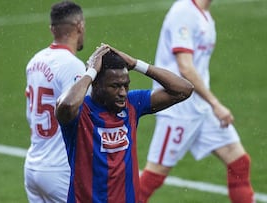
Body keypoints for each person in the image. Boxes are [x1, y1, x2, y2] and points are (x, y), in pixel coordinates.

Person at [138, 0, 255, 202]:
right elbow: (186, 68)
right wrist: (215, 104)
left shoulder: (206, 16)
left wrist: (209, 105)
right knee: (154, 176)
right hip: (178, 109)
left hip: (200, 107)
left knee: (239, 163)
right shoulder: (184, 12)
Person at [55, 45, 194, 202]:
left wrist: (136, 64)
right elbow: (66, 105)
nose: (122, 93)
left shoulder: (133, 104)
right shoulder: (79, 112)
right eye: (115, 86)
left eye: (125, 85)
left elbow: (184, 89)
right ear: (96, 84)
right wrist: (90, 73)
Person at [23, 1, 86, 202]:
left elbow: (29, 114)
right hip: (60, 170)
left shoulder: (35, 61)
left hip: (33, 166)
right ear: (80, 26)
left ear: (52, 29)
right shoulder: (73, 66)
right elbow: (81, 117)